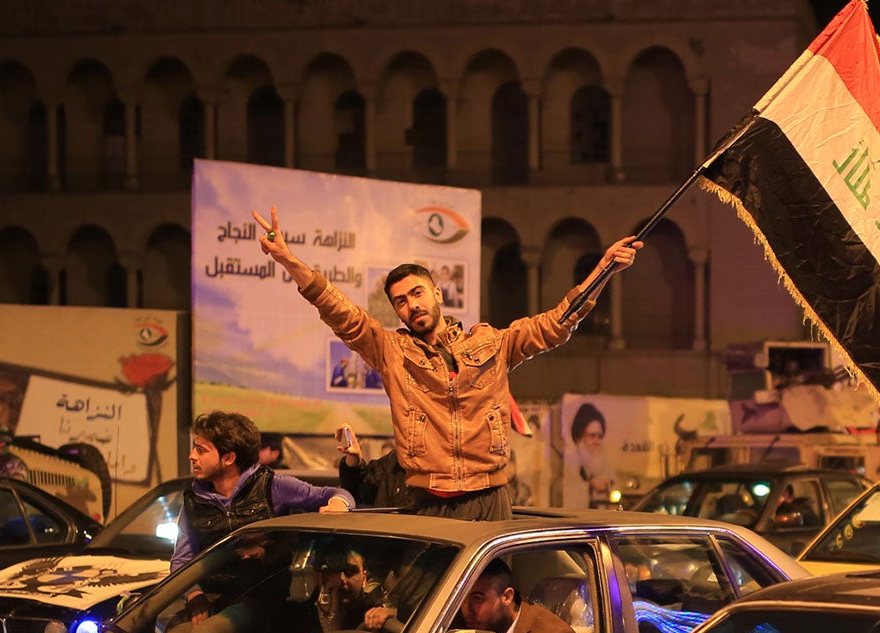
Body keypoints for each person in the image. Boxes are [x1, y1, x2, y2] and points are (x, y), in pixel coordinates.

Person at [255, 201, 640, 520]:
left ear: (438, 293)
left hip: (490, 495)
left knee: (492, 600)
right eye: (401, 302)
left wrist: (603, 268)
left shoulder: (491, 343)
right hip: (430, 499)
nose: (411, 305)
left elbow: (556, 323)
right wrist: (289, 260)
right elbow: (342, 314)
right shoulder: (393, 351)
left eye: (417, 293)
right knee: (431, 605)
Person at [171, 410, 352, 571]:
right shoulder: (194, 500)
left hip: (263, 601)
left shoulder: (272, 486)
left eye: (201, 450)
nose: (192, 456)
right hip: (211, 599)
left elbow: (337, 494)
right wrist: (195, 597)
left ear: (228, 458)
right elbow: (181, 562)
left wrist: (338, 503)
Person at [456, 559, 576, 633]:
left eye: (478, 599)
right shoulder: (454, 625)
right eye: (462, 598)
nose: (466, 609)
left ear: (507, 597)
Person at [569, 402, 615, 508]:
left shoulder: (605, 465)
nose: (597, 441)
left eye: (600, 436)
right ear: (579, 438)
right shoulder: (570, 466)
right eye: (592, 436)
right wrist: (589, 485)